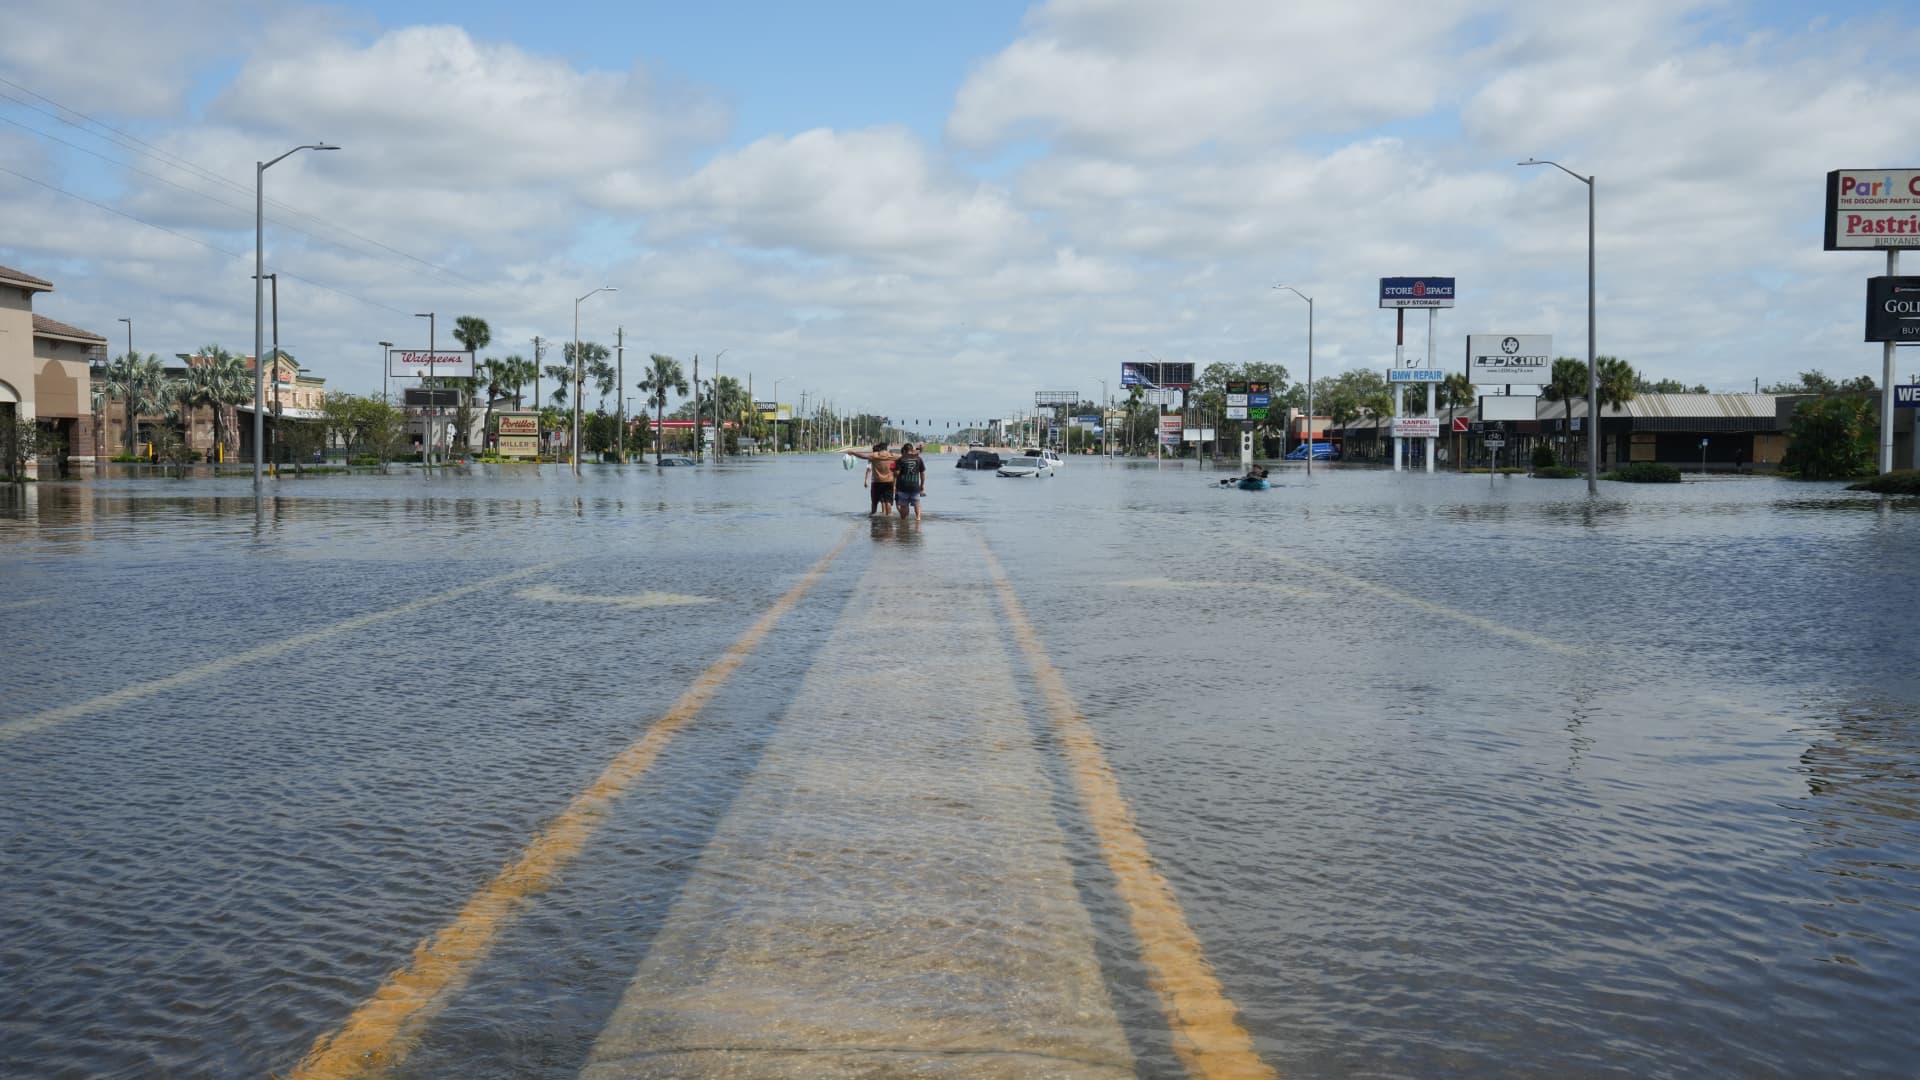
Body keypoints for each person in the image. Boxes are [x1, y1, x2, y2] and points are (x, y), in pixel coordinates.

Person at [847, 441, 900, 516]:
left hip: (877, 482)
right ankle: (889, 518)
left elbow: (863, 456)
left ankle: (873, 517)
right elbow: (904, 456)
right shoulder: (892, 456)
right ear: (886, 448)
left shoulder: (874, 455)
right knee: (888, 502)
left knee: (874, 502)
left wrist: (853, 453)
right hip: (889, 482)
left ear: (880, 449)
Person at [893, 443, 928, 520]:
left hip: (903, 487)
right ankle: (918, 518)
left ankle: (904, 521)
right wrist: (922, 484)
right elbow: (922, 473)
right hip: (914, 486)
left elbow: (897, 473)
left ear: (904, 451)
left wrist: (894, 471)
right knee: (917, 503)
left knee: (904, 506)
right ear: (912, 450)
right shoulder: (918, 459)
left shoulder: (900, 459)